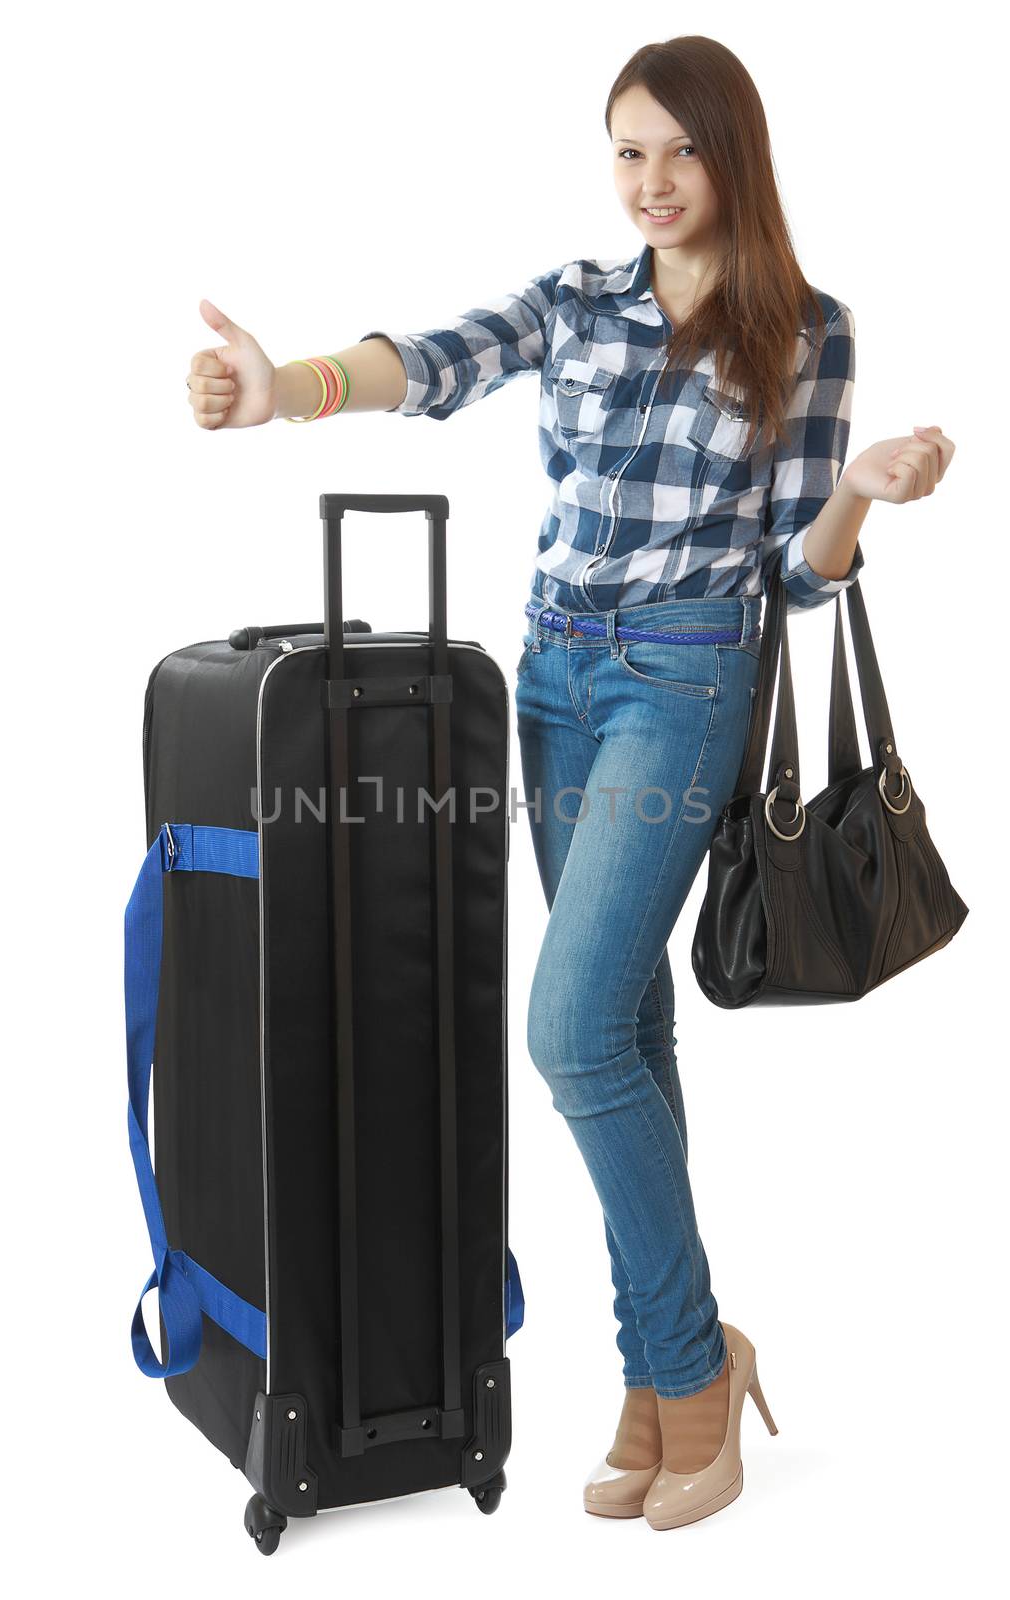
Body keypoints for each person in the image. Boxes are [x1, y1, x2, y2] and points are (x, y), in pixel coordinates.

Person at [186, 34, 954, 1532]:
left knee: (568, 1028)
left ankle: (685, 1366)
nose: (653, 184)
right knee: (625, 1025)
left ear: (736, 155)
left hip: (687, 674)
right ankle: (678, 1368)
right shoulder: (578, 300)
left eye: (681, 151)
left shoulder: (809, 327)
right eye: (628, 152)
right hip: (551, 674)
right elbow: (435, 362)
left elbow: (796, 577)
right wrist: (289, 390)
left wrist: (860, 498)